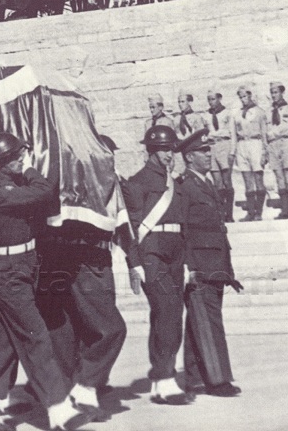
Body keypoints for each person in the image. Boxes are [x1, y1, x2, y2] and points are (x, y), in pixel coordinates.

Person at [0, 132, 90, 431]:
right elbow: (44, 190)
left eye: (21, 155)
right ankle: (58, 407)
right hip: (9, 271)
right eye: (15, 156)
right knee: (36, 336)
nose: (21, 159)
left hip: (21, 267)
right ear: (1, 161)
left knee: (5, 340)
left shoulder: (9, 185)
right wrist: (28, 169)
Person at [35, 134, 137, 422]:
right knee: (102, 329)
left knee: (93, 329)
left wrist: (134, 262)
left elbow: (126, 222)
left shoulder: (112, 183)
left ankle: (85, 391)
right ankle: (81, 389)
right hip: (76, 260)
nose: (110, 159)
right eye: (105, 154)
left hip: (98, 260)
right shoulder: (76, 181)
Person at [120, 125, 191, 405]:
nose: (169, 154)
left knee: (170, 313)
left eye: (171, 149)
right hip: (152, 254)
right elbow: (130, 227)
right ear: (150, 150)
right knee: (167, 310)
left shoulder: (174, 182)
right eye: (163, 149)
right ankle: (165, 378)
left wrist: (186, 260)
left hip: (174, 253)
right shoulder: (137, 182)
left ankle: (160, 379)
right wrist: (134, 263)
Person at [175, 130, 243, 400]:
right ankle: (218, 380)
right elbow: (183, 229)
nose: (208, 154)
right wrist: (188, 266)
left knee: (198, 321)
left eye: (208, 150)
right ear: (190, 157)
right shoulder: (185, 185)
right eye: (203, 151)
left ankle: (194, 379)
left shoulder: (205, 183)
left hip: (215, 262)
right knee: (209, 321)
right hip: (200, 265)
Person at [231, 85, 269, 221]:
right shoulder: (237, 114)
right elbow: (235, 134)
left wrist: (265, 151)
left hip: (255, 144)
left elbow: (264, 132)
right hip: (242, 145)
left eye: (245, 96)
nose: (243, 99)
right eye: (240, 97)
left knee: (258, 179)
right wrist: (234, 151)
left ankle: (259, 212)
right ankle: (251, 212)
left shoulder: (259, 112)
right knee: (247, 181)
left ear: (250, 95)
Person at [267, 81, 288, 219]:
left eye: (276, 92)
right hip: (273, 145)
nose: (274, 95)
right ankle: (284, 210)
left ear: (282, 92)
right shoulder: (268, 111)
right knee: (279, 178)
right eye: (272, 92)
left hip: (286, 143)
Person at [205, 90, 235, 222]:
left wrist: (232, 151)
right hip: (212, 146)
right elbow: (206, 133)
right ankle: (221, 213)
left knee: (227, 180)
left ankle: (229, 213)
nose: (211, 102)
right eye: (209, 99)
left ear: (219, 98)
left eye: (213, 99)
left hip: (225, 145)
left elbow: (232, 133)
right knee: (217, 182)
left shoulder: (227, 113)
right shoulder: (206, 115)